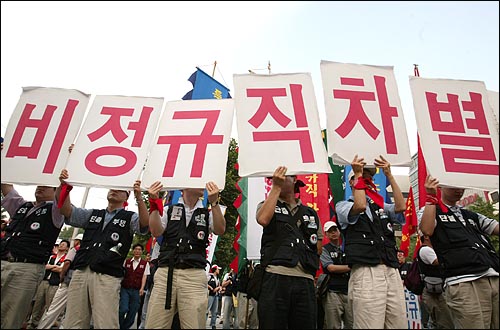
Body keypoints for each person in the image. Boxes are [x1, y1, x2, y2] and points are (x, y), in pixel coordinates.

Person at [57, 168, 149, 329]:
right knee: (73, 322)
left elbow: (144, 224)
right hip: (81, 271)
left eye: (119, 189)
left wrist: (140, 197)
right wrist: (65, 186)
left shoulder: (130, 217)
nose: (113, 190)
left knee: (105, 322)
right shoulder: (93, 214)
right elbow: (67, 211)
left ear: (127, 196)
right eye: (112, 187)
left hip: (107, 276)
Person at [419, 175, 499, 329]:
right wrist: (430, 197)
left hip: (493, 276)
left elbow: (494, 227)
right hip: (463, 280)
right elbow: (427, 230)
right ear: (441, 186)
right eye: (454, 186)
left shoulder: (471, 215)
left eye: (461, 186)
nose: (459, 191)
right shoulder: (431, 210)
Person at [336, 155, 407, 329]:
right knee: (369, 324)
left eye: (370, 177)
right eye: (363, 176)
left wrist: (389, 175)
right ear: (352, 181)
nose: (367, 179)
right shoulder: (343, 205)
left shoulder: (380, 206)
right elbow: (360, 206)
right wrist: (358, 174)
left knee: (398, 323)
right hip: (367, 271)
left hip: (390, 269)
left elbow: (401, 207)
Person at [145, 180, 226, 329]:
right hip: (166, 273)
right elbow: (156, 231)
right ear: (185, 184)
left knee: (193, 324)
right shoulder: (169, 209)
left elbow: (220, 229)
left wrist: (214, 203)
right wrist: (153, 202)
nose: (203, 184)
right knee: (156, 324)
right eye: (198, 180)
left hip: (194, 275)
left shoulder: (207, 213)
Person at [256, 166, 323, 329]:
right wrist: (276, 188)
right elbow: (263, 219)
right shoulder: (267, 204)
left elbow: (318, 247)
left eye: (285, 175)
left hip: (305, 279)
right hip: (275, 275)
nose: (279, 177)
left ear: (295, 181)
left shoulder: (311, 213)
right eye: (275, 176)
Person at [1, 174, 65, 328]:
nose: (40, 187)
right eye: (39, 184)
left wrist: (64, 177)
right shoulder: (23, 206)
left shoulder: (56, 211)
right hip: (3, 260)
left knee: (11, 315)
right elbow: (6, 187)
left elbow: (62, 197)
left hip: (26, 268)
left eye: (46, 186)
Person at [38, 233, 83, 329]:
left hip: (68, 282)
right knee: (72, 311)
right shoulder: (89, 251)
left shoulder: (75, 249)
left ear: (77, 241)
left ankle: (43, 327)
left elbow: (67, 263)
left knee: (53, 309)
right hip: (80, 283)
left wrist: (62, 276)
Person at [28, 239, 70, 329]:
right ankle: (33, 323)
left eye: (63, 244)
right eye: (60, 244)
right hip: (44, 281)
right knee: (38, 303)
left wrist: (54, 268)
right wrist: (55, 267)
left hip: (54, 284)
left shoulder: (66, 258)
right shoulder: (52, 257)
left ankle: (51, 324)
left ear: (67, 248)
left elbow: (61, 269)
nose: (61, 245)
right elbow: (45, 266)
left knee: (50, 305)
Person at [416, 232, 454, 329]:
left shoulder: (431, 249)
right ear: (426, 237)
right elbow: (437, 262)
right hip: (434, 291)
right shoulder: (426, 250)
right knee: (443, 321)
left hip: (438, 289)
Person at [320, 220, 353, 329]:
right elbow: (331, 268)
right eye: (330, 231)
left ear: (339, 231)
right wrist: (350, 267)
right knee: (333, 325)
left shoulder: (348, 248)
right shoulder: (324, 249)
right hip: (332, 292)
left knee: (352, 324)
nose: (333, 233)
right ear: (326, 234)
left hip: (350, 291)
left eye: (335, 230)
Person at [119, 243, 150, 329]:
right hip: (125, 289)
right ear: (133, 251)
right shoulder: (127, 262)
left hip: (136, 290)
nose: (137, 251)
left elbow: (144, 276)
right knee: (123, 309)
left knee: (133, 311)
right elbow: (122, 274)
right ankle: (120, 326)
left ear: (142, 251)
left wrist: (142, 288)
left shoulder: (144, 264)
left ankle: (124, 327)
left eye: (139, 249)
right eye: (136, 249)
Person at [207, 264, 223, 329]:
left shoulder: (218, 278)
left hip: (216, 295)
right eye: (218, 269)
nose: (219, 270)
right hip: (210, 295)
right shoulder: (209, 276)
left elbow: (219, 285)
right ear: (215, 269)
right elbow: (205, 283)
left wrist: (219, 288)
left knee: (215, 311)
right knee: (207, 310)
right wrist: (210, 287)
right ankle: (203, 322)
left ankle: (213, 324)